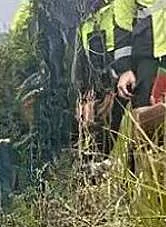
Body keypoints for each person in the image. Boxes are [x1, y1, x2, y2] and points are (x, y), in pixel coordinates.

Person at [73, 0, 125, 157]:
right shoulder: (83, 21)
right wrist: (84, 97)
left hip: (123, 76)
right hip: (99, 85)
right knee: (99, 138)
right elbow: (81, 63)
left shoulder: (118, 7)